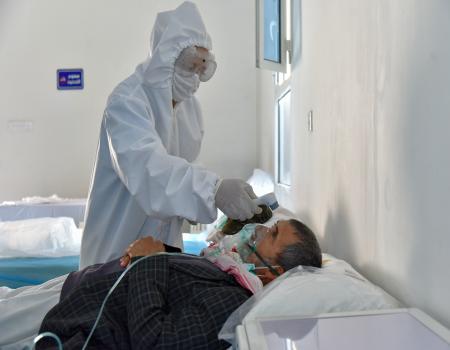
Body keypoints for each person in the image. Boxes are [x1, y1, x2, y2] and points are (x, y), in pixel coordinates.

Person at [80, 1, 262, 269]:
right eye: (191, 64)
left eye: (203, 67)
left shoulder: (189, 108)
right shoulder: (128, 102)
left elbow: (179, 171)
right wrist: (213, 190)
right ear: (165, 56)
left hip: (161, 249)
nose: (196, 76)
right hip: (116, 247)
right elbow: (150, 171)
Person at [36, 219, 322, 349]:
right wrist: (163, 250)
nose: (258, 230)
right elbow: (185, 282)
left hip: (79, 315)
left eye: (271, 233)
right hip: (83, 290)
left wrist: (150, 260)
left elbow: (155, 341)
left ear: (273, 272)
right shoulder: (232, 272)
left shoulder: (232, 303)